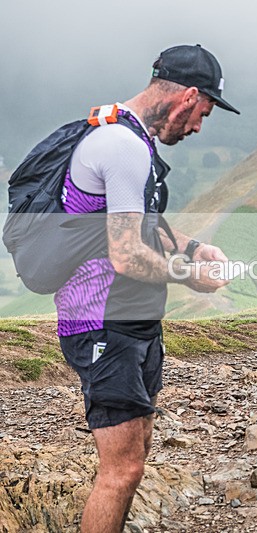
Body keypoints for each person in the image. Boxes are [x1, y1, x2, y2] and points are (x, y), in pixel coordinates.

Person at [50, 44, 239, 532]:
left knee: (134, 458)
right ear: (188, 96)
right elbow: (126, 252)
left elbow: (143, 219)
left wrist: (194, 247)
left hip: (130, 320)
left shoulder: (135, 140)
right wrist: (190, 277)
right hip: (101, 321)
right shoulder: (121, 145)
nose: (199, 126)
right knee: (122, 470)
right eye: (203, 112)